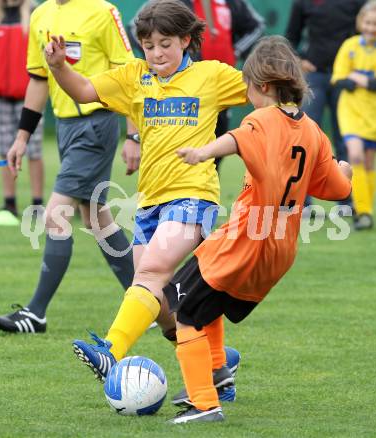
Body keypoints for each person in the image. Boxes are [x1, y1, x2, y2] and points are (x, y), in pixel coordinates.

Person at [44, 0, 246, 400]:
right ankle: (218, 367)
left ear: (186, 40)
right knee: (159, 298)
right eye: (149, 46)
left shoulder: (212, 76)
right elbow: (84, 90)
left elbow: (259, 91)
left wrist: (283, 79)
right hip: (150, 203)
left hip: (194, 197)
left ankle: (110, 351)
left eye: (165, 44)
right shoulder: (135, 76)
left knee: (150, 274)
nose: (156, 54)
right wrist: (58, 67)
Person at [159, 35, 353, 424]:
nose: (247, 96)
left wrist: (203, 152)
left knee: (182, 309)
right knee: (201, 301)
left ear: (262, 85)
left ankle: (204, 403)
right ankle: (217, 375)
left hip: (246, 237)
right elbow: (336, 188)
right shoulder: (313, 131)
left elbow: (237, 138)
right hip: (281, 247)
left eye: (248, 87)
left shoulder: (262, 118)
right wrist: (345, 171)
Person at [0, 0, 137, 333]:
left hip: (98, 123)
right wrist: (22, 137)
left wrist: (133, 134)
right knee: (97, 219)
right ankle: (146, 297)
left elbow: (129, 76)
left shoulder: (103, 11)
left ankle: (35, 313)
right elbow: (39, 80)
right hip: (67, 128)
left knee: (56, 212)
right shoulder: (40, 14)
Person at [128, 0, 265, 170]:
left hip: (221, 84)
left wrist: (236, 50)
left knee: (215, 147)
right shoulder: (168, 4)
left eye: (164, 44)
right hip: (182, 87)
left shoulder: (232, 3)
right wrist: (160, 56)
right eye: (151, 46)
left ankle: (205, 186)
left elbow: (256, 26)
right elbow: (135, 28)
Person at [285, 0, 365, 210]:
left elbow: (365, 32)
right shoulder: (303, 2)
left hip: (346, 79)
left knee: (345, 138)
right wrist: (299, 60)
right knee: (307, 139)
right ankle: (304, 202)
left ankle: (345, 200)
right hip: (315, 76)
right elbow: (291, 37)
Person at [0, 0, 45, 226]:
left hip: (30, 96)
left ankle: (37, 204)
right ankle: (9, 202)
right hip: (1, 97)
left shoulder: (36, 14)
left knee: (33, 150)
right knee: (4, 150)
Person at [331, 0, 376, 230]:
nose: (372, 28)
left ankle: (366, 211)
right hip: (350, 109)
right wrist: (362, 79)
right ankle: (363, 212)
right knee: (356, 155)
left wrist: (356, 77)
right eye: (368, 23)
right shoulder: (349, 45)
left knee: (369, 162)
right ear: (361, 22)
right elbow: (339, 78)